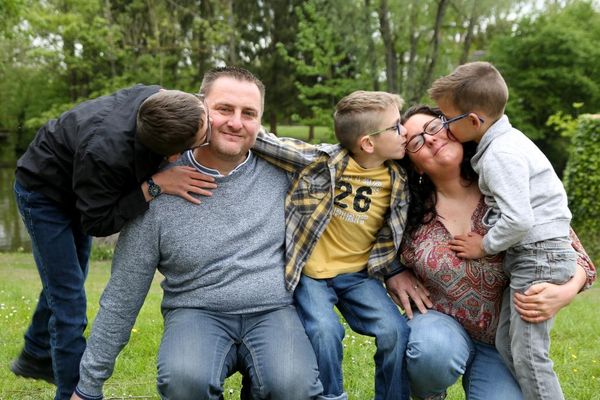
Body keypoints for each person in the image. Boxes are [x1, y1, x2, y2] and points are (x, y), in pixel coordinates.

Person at [71, 66, 324, 400]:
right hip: (196, 310)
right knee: (185, 381)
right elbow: (124, 293)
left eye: (249, 113)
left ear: (260, 122)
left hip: (272, 311)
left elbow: (345, 173)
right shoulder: (159, 187)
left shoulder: (287, 175)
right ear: (202, 108)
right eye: (224, 109)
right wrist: (88, 386)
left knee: (292, 386)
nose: (236, 122)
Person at [11, 86, 216, 400]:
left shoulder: (162, 103)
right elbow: (97, 223)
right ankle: (72, 393)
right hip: (45, 193)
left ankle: (36, 354)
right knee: (69, 304)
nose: (211, 129)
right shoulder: (106, 155)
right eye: (205, 134)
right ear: (173, 156)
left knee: (66, 280)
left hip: (82, 184)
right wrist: (153, 186)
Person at [385, 105, 596, 400]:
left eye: (434, 127)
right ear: (415, 165)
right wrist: (394, 272)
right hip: (440, 326)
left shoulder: (502, 183)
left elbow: (574, 253)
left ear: (456, 129)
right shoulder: (407, 210)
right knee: (430, 352)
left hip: (502, 340)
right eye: (416, 141)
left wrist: (566, 291)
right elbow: (365, 243)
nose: (430, 139)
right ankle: (428, 393)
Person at [427, 61, 580, 400]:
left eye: (448, 120)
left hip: (538, 256)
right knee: (507, 345)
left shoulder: (501, 154)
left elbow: (520, 219)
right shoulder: (504, 143)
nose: (444, 128)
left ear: (473, 121)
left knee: (529, 356)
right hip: (535, 255)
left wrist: (485, 245)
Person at [253, 90, 410, 400]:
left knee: (395, 331)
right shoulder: (320, 163)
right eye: (396, 127)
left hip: (358, 276)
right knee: (324, 332)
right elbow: (267, 142)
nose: (404, 132)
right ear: (368, 143)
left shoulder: (399, 179)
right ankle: (331, 397)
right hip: (313, 274)